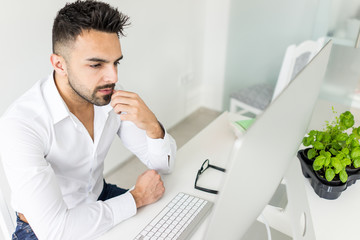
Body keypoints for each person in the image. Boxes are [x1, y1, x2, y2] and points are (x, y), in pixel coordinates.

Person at [0, 1, 176, 239]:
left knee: (170, 221)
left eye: (116, 62)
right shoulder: (21, 124)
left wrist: (153, 126)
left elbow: (164, 167)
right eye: (96, 64)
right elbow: (56, 230)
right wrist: (137, 198)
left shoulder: (109, 97)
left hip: (98, 197)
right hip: (42, 229)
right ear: (59, 64)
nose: (113, 76)